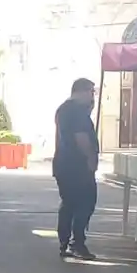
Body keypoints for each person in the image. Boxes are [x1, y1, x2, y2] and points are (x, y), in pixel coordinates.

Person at [54, 78, 100, 260]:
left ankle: (64, 242)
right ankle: (77, 243)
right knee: (85, 203)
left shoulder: (64, 109)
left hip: (64, 165)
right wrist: (91, 158)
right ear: (81, 91)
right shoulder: (76, 112)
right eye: (91, 92)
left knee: (69, 204)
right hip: (77, 166)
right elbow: (81, 138)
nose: (92, 96)